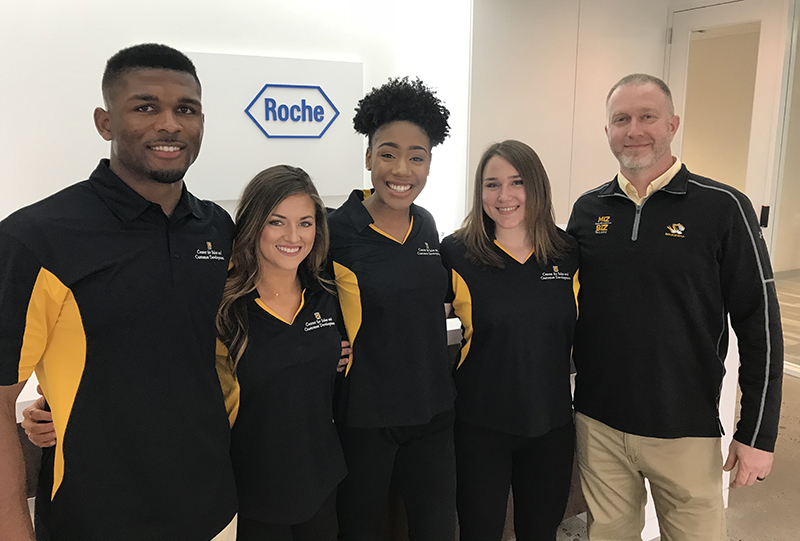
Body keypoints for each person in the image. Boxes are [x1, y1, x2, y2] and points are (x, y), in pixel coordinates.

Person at [0, 44, 238, 540]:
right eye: (145, 107)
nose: (170, 124)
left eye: (186, 109)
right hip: (94, 518)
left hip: (212, 509)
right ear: (105, 122)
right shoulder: (36, 238)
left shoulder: (216, 227)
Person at [566, 73, 784, 540]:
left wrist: (757, 434)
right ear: (607, 131)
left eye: (648, 116)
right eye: (621, 119)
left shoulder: (724, 208)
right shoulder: (587, 211)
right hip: (599, 425)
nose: (634, 129)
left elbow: (760, 322)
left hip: (684, 429)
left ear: (672, 124)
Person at [327, 77, 457, 540]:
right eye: (388, 153)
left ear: (428, 164)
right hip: (365, 417)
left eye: (416, 157)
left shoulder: (426, 224)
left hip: (433, 412)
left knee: (437, 529)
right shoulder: (333, 230)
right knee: (361, 529)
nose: (402, 169)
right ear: (368, 158)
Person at [441, 140, 578, 541]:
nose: (504, 196)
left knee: (541, 531)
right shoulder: (456, 253)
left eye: (516, 182)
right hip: (479, 426)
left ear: (536, 187)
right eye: (492, 184)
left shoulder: (568, 252)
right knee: (479, 532)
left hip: (550, 425)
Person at [215, 165, 348, 541]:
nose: (293, 236)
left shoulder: (325, 293)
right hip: (252, 492)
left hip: (320, 480)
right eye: (277, 222)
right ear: (254, 224)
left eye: (305, 223)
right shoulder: (225, 307)